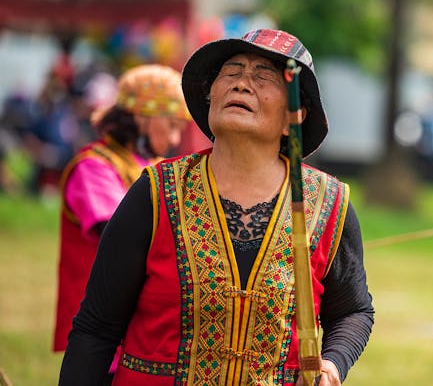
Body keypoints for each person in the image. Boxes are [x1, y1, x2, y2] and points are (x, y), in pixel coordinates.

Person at [59, 29, 375, 386]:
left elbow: (353, 310)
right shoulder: (156, 193)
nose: (242, 84)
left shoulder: (329, 205)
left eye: (264, 76)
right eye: (231, 72)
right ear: (210, 97)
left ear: (296, 115)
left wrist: (332, 365)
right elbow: (96, 328)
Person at [53, 64, 190, 357]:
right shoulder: (93, 167)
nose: (176, 139)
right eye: (172, 125)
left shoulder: (154, 168)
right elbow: (125, 238)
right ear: (142, 118)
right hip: (100, 327)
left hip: (141, 327)